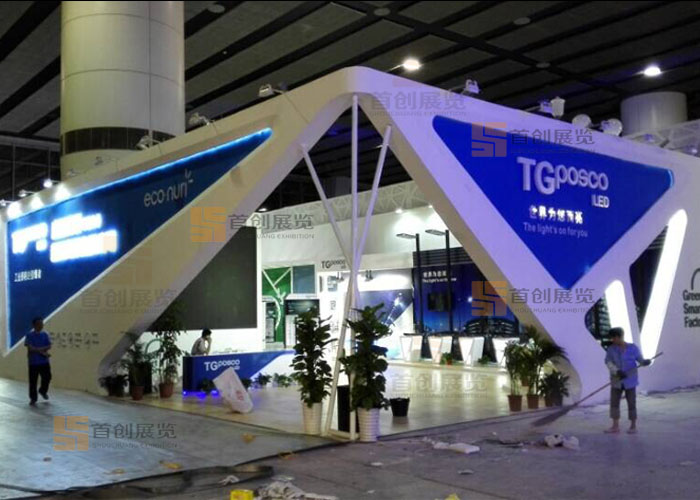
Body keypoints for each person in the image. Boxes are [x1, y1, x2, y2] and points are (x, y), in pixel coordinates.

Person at [604, 327, 651, 434]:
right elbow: (608, 362)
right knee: (614, 403)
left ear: (619, 336)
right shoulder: (611, 349)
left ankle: (633, 426)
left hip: (630, 380)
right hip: (617, 380)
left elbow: (640, 360)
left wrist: (645, 362)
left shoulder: (633, 348)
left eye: (613, 338)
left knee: (631, 402)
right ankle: (615, 426)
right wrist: (616, 371)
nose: (612, 340)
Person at [25, 317, 52, 405]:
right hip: (33, 362)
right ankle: (33, 398)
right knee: (33, 381)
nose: (41, 325)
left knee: (47, 377)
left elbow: (49, 346)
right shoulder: (29, 335)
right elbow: (30, 348)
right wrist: (42, 352)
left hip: (44, 361)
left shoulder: (45, 334)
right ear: (34, 325)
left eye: (42, 324)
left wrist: (39, 350)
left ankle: (42, 391)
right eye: (39, 324)